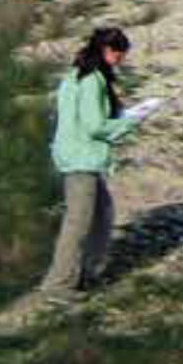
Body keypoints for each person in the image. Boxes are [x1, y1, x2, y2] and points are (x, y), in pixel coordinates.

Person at [38, 27, 140, 304]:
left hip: (76, 156)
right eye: (119, 53)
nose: (120, 59)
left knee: (102, 215)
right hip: (81, 158)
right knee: (78, 222)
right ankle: (58, 284)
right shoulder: (92, 79)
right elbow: (94, 125)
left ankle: (84, 273)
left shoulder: (76, 75)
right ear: (108, 51)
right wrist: (130, 122)